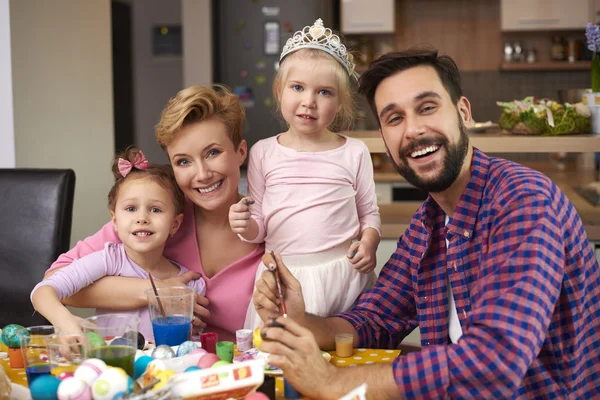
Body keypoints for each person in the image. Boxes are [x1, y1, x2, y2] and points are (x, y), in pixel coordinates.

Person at [252, 48, 600, 398]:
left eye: (427, 108)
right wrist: (302, 319)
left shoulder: (523, 199)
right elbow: (375, 318)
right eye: (394, 118)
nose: (414, 130)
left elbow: (494, 360)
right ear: (385, 141)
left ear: (463, 113)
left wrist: (334, 383)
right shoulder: (427, 224)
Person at [45, 86, 264, 342]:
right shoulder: (158, 214)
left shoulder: (268, 224)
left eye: (213, 153)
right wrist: (157, 292)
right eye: (183, 161)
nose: (202, 174)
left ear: (240, 152)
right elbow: (58, 282)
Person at [229, 19, 381, 329]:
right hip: (284, 278)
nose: (308, 102)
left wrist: (369, 244)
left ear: (339, 103)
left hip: (345, 276)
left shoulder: (354, 152)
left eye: (324, 92)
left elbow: (370, 215)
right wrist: (244, 226)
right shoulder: (263, 152)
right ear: (280, 91)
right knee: (283, 362)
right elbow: (259, 227)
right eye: (297, 87)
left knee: (346, 357)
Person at [31, 147, 206, 339]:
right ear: (114, 220)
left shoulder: (192, 285)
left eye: (155, 210)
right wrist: (65, 321)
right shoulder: (108, 260)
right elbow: (43, 290)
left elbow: (191, 347)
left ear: (175, 224)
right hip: (109, 366)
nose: (142, 218)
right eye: (131, 208)